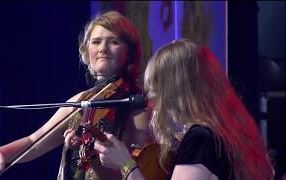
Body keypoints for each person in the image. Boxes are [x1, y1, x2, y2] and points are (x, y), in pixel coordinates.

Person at [0, 11, 152, 180]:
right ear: (86, 51)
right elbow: (35, 140)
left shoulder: (137, 105)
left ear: (129, 51)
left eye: (114, 41)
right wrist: (2, 152)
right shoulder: (81, 101)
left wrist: (92, 155)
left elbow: (137, 173)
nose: (103, 49)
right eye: (96, 42)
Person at [93, 39, 275, 180]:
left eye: (156, 87)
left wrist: (126, 164)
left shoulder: (200, 139)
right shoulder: (225, 134)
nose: (150, 98)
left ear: (174, 89)